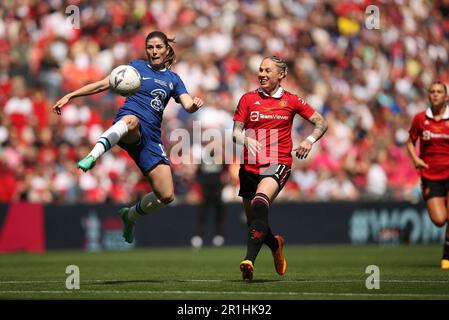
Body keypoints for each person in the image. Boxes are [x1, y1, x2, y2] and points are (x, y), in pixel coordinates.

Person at [52, 31, 204, 244]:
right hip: (129, 125)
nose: (154, 51)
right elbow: (102, 84)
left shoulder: (173, 80)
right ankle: (93, 155)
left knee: (166, 195)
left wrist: (193, 105)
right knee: (131, 121)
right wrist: (70, 95)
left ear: (167, 49)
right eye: (150, 47)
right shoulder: (135, 68)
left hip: (151, 138)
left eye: (158, 47)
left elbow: (187, 104)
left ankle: (130, 215)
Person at [232, 56, 328, 280]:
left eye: (267, 70)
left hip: (278, 162)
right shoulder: (247, 99)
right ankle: (275, 245)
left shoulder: (292, 101)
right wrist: (247, 140)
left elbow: (321, 122)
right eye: (260, 70)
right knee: (254, 221)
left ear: (281, 75)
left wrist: (309, 140)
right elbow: (236, 132)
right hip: (249, 166)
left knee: (259, 202)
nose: (262, 74)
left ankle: (248, 261)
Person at [406, 81, 449, 269]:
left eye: (439, 91)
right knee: (440, 220)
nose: (436, 94)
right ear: (428, 95)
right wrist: (415, 159)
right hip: (430, 175)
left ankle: (447, 254)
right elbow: (410, 142)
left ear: (446, 96)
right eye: (432, 91)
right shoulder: (420, 119)